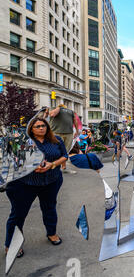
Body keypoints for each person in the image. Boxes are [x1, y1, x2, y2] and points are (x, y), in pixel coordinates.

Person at [4, 118, 67, 258]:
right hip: (25, 184)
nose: (41, 128)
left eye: (43, 125)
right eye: (37, 126)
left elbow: (64, 156)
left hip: (51, 181)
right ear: (31, 129)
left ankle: (51, 233)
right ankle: (11, 244)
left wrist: (52, 164)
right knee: (18, 214)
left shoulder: (56, 140)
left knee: (50, 208)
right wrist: (32, 166)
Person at [49, 104, 80, 174]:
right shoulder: (54, 108)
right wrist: (58, 108)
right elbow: (52, 114)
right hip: (56, 133)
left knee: (65, 151)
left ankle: (63, 168)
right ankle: (52, 167)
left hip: (69, 133)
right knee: (54, 150)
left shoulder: (71, 111)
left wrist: (77, 131)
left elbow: (75, 121)